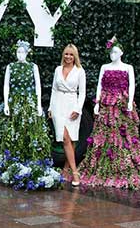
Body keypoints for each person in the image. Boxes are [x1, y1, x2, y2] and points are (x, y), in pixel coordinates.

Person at [78, 36, 140, 189]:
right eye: (111, 52)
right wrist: (97, 104)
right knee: (104, 133)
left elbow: (132, 85)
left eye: (115, 52)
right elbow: (99, 85)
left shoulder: (128, 67)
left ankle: (123, 165)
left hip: (122, 103)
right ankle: (104, 164)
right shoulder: (104, 67)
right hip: (106, 103)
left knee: (123, 134)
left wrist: (129, 103)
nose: (112, 55)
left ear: (121, 53)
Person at [0, 40, 51, 162]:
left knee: (31, 129)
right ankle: (12, 158)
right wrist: (6, 104)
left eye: (23, 52)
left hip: (29, 101)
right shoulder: (10, 67)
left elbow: (38, 86)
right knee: (14, 129)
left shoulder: (33, 67)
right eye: (18, 52)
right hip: (14, 102)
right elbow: (6, 85)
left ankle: (32, 159)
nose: (20, 54)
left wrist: (38, 105)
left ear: (27, 53)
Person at [48, 44, 86, 187]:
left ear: (75, 56)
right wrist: (51, 108)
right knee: (64, 137)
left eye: (71, 54)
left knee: (71, 138)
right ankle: (75, 172)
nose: (68, 57)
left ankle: (66, 169)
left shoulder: (80, 71)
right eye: (66, 54)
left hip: (72, 105)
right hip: (58, 105)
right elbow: (53, 89)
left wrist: (78, 109)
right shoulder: (58, 70)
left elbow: (82, 93)